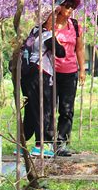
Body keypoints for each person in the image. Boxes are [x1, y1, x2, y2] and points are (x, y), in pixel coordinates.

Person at [19, 15, 66, 157]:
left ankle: (22, 143)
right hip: (41, 75)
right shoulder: (47, 35)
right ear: (47, 19)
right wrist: (56, 37)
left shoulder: (33, 32)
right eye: (54, 18)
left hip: (27, 75)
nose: (57, 21)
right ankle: (42, 144)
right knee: (44, 109)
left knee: (30, 110)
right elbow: (61, 53)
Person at [46, 0, 84, 157]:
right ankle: (47, 142)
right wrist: (53, 14)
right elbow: (46, 34)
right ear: (59, 6)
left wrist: (82, 69)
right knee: (49, 108)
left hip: (70, 73)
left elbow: (80, 49)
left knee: (67, 109)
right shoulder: (50, 23)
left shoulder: (75, 26)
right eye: (67, 5)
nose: (70, 9)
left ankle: (61, 142)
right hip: (50, 71)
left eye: (72, 6)